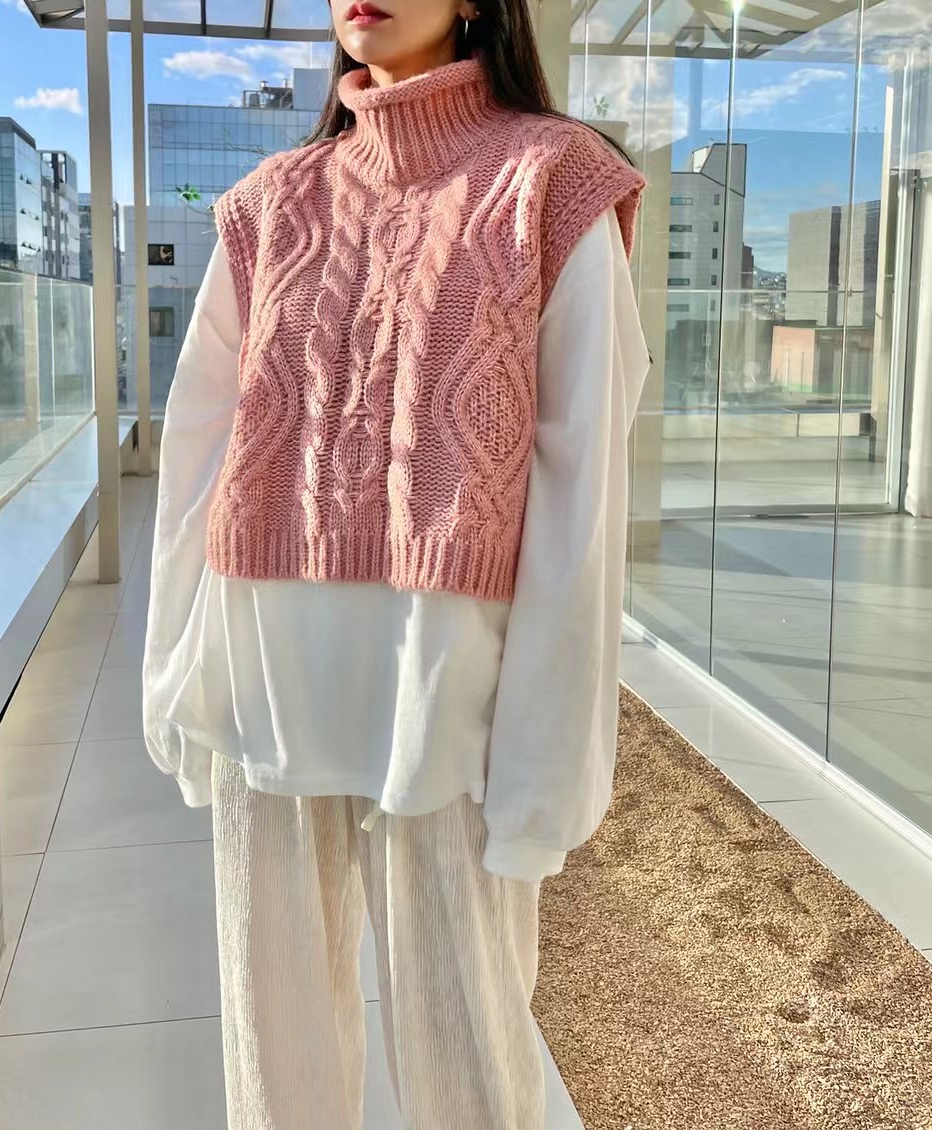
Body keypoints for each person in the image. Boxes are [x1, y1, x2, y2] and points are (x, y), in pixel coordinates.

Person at [143, 1, 650, 1126]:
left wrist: (547, 767)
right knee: (275, 1058)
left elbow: (582, 493)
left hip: (445, 688)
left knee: (470, 1053)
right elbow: (197, 450)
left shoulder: (552, 181)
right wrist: (176, 671)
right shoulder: (269, 203)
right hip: (265, 674)